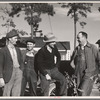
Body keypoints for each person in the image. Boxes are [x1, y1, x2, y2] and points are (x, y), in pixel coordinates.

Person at [70, 31, 100, 96]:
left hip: (89, 74)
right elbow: (72, 61)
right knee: (79, 93)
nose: (77, 40)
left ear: (84, 38)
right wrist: (74, 70)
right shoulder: (76, 49)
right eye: (77, 38)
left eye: (78, 38)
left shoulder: (92, 47)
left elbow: (99, 60)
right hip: (78, 74)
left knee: (83, 92)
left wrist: (97, 74)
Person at [0, 29, 23, 96]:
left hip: (18, 71)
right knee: (6, 92)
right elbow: (0, 65)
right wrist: (1, 77)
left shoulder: (17, 49)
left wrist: (21, 70)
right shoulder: (3, 50)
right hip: (8, 73)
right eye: (15, 38)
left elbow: (21, 61)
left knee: (17, 92)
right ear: (10, 39)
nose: (16, 40)